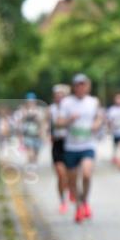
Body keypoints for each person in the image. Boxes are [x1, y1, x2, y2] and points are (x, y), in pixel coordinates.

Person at [57, 74, 102, 223]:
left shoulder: (93, 102)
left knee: (87, 174)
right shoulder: (66, 103)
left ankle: (85, 201)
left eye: (83, 85)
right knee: (72, 180)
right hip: (71, 146)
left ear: (88, 86)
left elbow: (99, 117)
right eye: (78, 85)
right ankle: (77, 207)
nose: (81, 87)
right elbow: (58, 122)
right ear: (74, 87)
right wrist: (70, 119)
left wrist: (97, 124)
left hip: (88, 144)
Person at [48, 84, 71, 213]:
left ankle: (70, 190)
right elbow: (46, 124)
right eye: (57, 96)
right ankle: (62, 201)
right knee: (60, 174)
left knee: (69, 175)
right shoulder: (50, 110)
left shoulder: (70, 109)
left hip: (69, 143)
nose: (59, 98)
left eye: (62, 96)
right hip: (57, 144)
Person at [19, 93, 43, 165]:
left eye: (32, 101)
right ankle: (30, 166)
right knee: (30, 152)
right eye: (29, 101)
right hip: (27, 134)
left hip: (37, 134)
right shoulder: (23, 110)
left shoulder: (39, 110)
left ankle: (33, 165)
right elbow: (20, 122)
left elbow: (42, 122)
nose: (30, 103)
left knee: (36, 154)